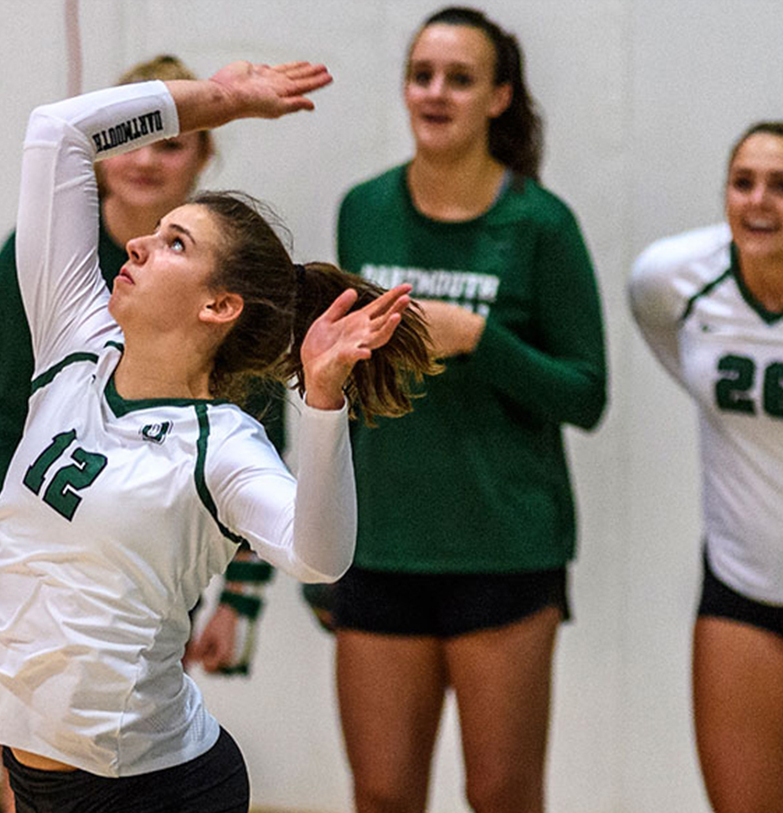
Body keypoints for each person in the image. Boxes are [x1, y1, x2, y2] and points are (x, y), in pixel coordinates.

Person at [0, 60, 435, 812]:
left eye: (173, 244)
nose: (137, 245)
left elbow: (320, 555)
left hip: (156, 789)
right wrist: (218, 102)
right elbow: (58, 131)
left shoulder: (222, 443)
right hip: (41, 782)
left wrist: (326, 402)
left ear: (219, 305)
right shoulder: (73, 341)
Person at [0, 52, 283, 810]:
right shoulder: (61, 281)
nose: (144, 161)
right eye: (131, 140)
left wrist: (243, 587)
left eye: (171, 142)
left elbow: (260, 443)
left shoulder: (231, 287)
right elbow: (0, 415)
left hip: (144, 559)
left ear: (203, 154)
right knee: (40, 757)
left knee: (116, 747)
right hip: (32, 543)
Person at [331, 7, 607, 813]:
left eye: (460, 77)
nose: (436, 92)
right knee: (381, 793)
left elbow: (586, 395)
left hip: (504, 551)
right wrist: (320, 543)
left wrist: (480, 340)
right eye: (422, 75)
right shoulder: (363, 209)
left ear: (498, 98)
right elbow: (341, 389)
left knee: (502, 793)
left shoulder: (541, 225)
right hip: (380, 546)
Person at [629, 121, 783, 813]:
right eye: (744, 182)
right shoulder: (674, 277)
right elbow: (665, 334)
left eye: (781, 186)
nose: (760, 202)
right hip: (740, 589)